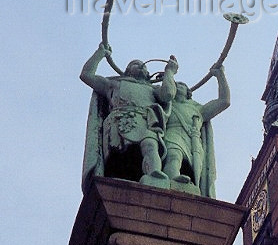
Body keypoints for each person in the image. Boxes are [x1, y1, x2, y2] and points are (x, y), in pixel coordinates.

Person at [80, 42, 178, 192]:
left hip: (146, 121)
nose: (141, 67)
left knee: (151, 146)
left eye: (143, 66)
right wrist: (99, 54)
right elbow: (86, 75)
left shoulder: (153, 89)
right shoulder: (114, 84)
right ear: (127, 71)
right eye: (136, 64)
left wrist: (170, 72)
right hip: (121, 121)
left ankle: (154, 175)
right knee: (118, 156)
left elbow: (169, 94)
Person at [163, 64, 230, 197]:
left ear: (188, 92)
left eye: (181, 85)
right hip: (173, 133)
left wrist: (220, 75)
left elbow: (224, 101)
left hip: (193, 141)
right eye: (176, 85)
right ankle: (173, 179)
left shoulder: (198, 109)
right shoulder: (167, 103)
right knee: (173, 156)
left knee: (197, 173)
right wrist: (168, 75)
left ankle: (192, 187)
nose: (178, 86)